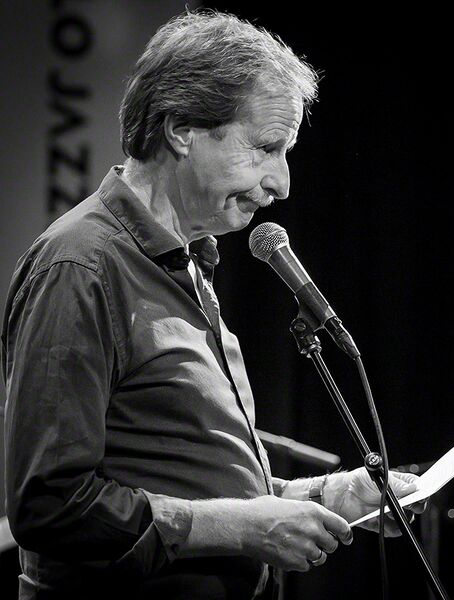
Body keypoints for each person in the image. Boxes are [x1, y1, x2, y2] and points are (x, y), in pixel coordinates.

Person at [1, 11, 425, 600]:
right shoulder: (81, 266)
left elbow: (193, 484)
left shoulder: (189, 263)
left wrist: (324, 496)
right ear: (182, 130)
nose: (282, 184)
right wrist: (243, 529)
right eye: (266, 148)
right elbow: (50, 506)